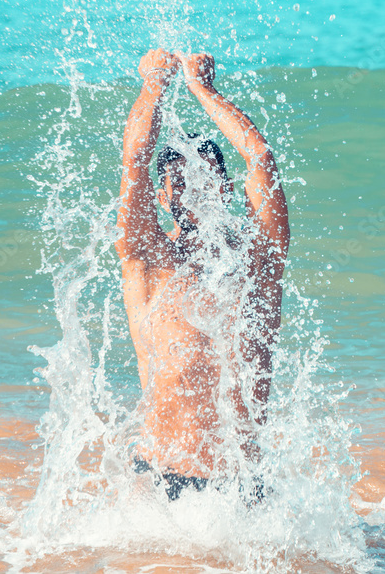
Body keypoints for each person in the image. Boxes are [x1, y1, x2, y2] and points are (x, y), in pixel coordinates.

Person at [115, 48, 289, 500]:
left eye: (207, 180)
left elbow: (260, 161)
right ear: (160, 194)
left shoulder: (256, 264)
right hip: (160, 482)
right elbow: (134, 162)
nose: (195, 192)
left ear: (226, 190)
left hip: (243, 493)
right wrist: (153, 86)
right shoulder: (148, 263)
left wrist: (202, 91)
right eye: (181, 181)